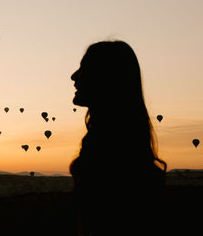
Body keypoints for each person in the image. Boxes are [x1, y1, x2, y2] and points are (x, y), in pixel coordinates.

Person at [69, 40, 166, 235]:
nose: (73, 76)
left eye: (84, 68)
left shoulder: (102, 155)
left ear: (105, 78)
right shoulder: (128, 153)